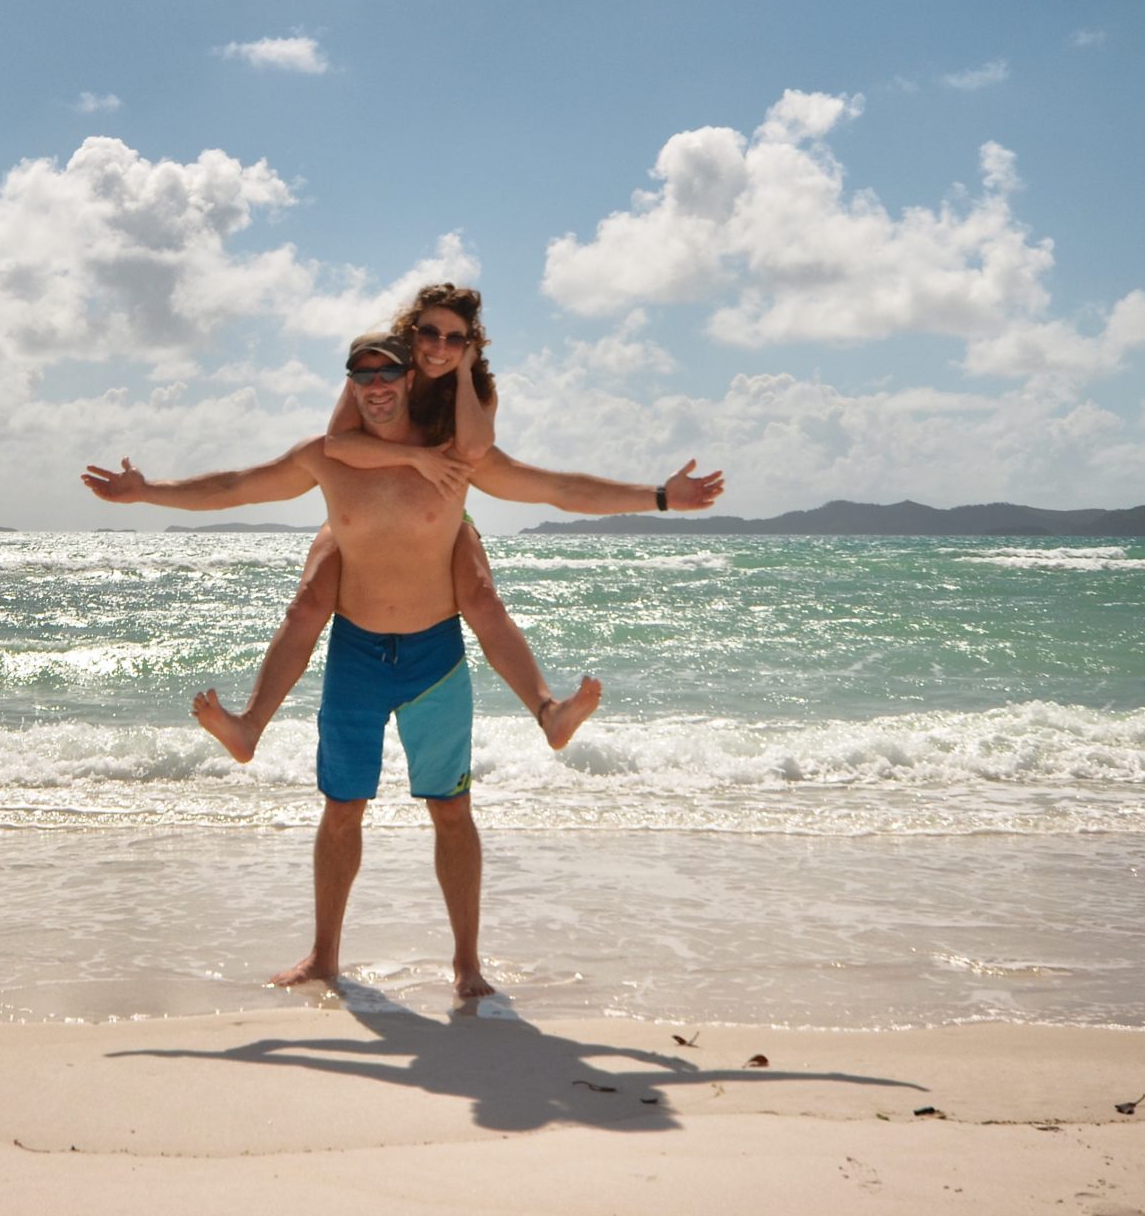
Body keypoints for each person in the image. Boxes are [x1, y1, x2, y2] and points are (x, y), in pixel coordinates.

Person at [82, 331, 724, 999]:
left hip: (434, 658)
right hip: (357, 654)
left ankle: (467, 964)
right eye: (362, 377)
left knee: (451, 811)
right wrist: (145, 491)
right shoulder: (327, 459)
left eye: (388, 375)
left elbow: (557, 489)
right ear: (350, 386)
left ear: (410, 379)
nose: (376, 388)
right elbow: (235, 488)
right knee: (341, 810)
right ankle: (323, 956)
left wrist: (658, 497)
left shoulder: (455, 458)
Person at [191, 284, 598, 766]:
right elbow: (338, 445)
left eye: (455, 339)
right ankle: (249, 725)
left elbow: (471, 453)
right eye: (429, 333)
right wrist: (413, 456)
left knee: (483, 598)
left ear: (469, 344)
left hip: (437, 511)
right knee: (306, 604)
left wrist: (465, 375)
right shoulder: (376, 366)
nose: (439, 348)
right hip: (360, 510)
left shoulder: (470, 385)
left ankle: (547, 711)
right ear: (411, 332)